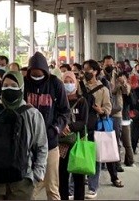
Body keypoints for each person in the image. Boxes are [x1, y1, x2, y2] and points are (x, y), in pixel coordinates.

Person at [0, 71, 48, 200]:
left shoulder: (32, 114)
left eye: (13, 85)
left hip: (23, 182)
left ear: (21, 87)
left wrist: (36, 175)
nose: (9, 89)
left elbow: (41, 146)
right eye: (5, 85)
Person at [23, 52, 70, 201]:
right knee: (28, 187)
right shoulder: (24, 84)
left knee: (52, 187)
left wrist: (55, 129)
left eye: (39, 74)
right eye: (33, 74)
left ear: (45, 71)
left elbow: (65, 111)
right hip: (28, 144)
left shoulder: (56, 84)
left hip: (50, 143)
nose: (36, 77)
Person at [81, 60, 120, 199]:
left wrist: (101, 110)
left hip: (96, 125)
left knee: (95, 157)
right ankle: (73, 186)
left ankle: (92, 187)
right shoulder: (80, 86)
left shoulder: (103, 89)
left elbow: (108, 108)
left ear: (96, 71)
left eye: (88, 69)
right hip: (80, 125)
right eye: (84, 69)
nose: (86, 72)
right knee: (78, 154)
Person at [57, 72, 88, 201]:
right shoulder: (58, 100)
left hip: (77, 143)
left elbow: (83, 121)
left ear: (75, 83)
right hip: (62, 144)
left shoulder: (82, 101)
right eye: (65, 81)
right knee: (62, 175)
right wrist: (61, 127)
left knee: (78, 176)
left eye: (71, 81)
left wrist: (69, 127)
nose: (68, 84)